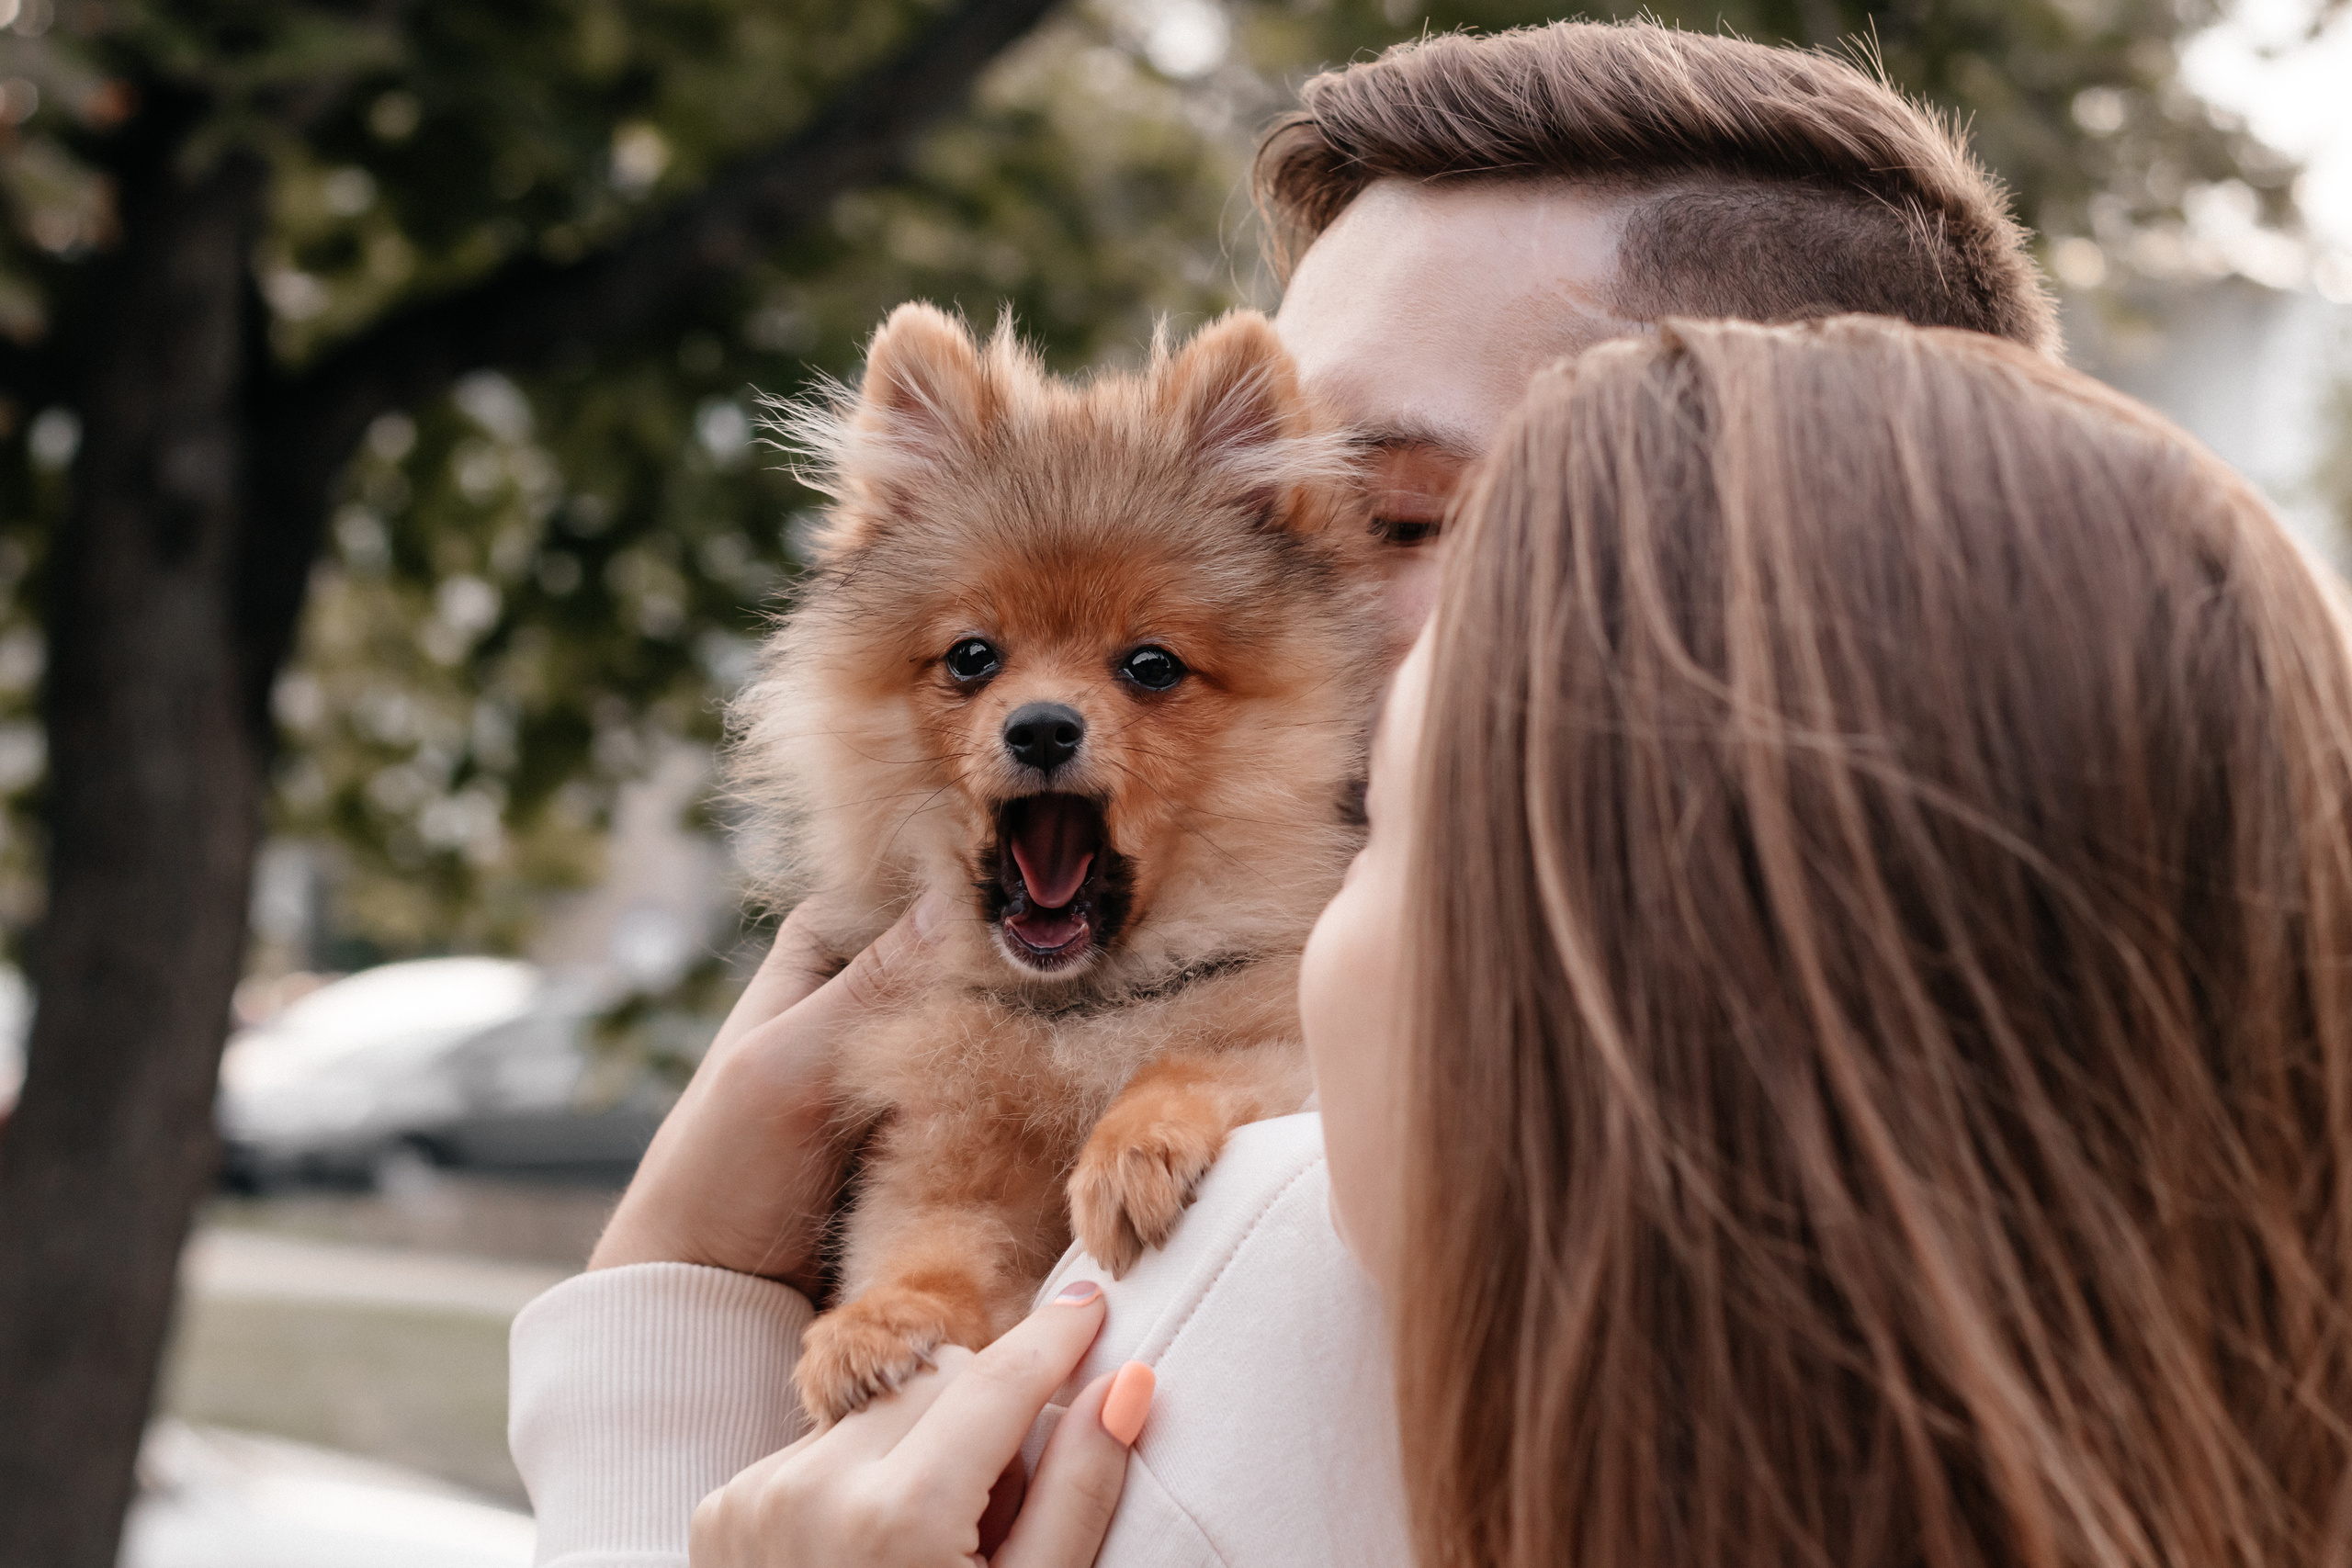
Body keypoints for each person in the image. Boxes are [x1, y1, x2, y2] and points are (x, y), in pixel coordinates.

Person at [510, 20, 2067, 1567]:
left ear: (1795, 574)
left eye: (1380, 518)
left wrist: (673, 1311)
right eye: (1268, 505)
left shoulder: (1284, 1252)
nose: (1291, 603)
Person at [697, 314, 2352, 1565]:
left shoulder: (1271, 1321)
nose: (1357, 603)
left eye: (1403, 518)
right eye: (975, 661)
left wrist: (663, 1324)